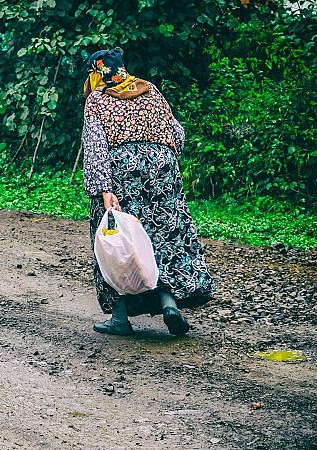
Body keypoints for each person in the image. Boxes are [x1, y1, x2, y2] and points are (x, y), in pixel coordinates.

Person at [82, 49, 213, 336]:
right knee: (163, 234)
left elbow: (95, 148)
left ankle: (119, 318)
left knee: (118, 240)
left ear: (97, 73)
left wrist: (104, 190)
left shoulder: (97, 99)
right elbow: (178, 135)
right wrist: (156, 154)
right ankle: (169, 304)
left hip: (122, 172)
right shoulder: (149, 90)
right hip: (162, 170)